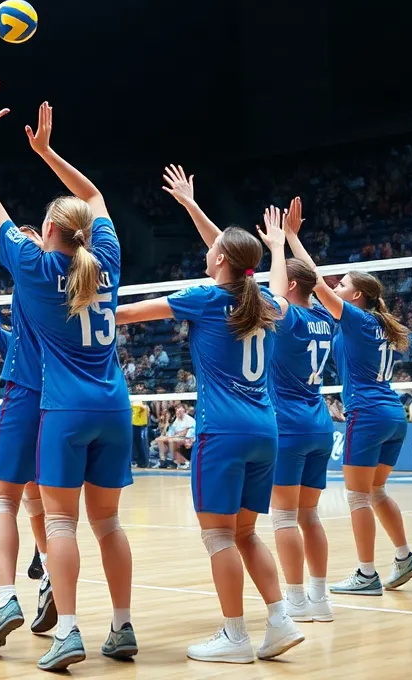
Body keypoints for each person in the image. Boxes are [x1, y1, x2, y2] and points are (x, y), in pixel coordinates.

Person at [0, 85, 134, 670]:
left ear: (46, 231)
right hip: (114, 402)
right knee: (105, 522)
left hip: (54, 401)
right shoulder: (106, 259)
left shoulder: (35, 267)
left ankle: (38, 611)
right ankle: (121, 624)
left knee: (27, 507)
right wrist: (46, 152)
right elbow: (94, 196)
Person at [116, 175, 301, 663]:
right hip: (265, 430)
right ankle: (280, 620)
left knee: (218, 535)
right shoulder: (268, 303)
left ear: (220, 259)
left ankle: (236, 636)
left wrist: (82, 308)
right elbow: (244, 264)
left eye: (213, 248)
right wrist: (272, 246)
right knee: (246, 533)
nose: (208, 249)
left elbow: (128, 315)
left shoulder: (205, 297)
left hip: (223, 432)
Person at [283, 197, 412, 596]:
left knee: (357, 495)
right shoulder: (378, 323)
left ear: (357, 295)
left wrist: (291, 237)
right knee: (375, 491)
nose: (335, 288)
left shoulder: (358, 319)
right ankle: (404, 556)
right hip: (393, 414)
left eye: (342, 285)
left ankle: (366, 574)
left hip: (369, 413)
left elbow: (314, 279)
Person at [260, 213, 336, 625]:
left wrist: (278, 246)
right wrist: (292, 238)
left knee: (285, 517)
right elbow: (315, 280)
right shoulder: (325, 318)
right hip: (320, 424)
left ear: (290, 287)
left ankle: (295, 600)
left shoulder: (289, 318)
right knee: (310, 516)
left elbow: (278, 296)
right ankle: (320, 598)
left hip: (288, 425)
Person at [0, 227, 50, 600]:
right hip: (54, 400)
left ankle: (9, 590)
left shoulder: (41, 285)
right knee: (37, 497)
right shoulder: (13, 335)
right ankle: (47, 567)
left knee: (6, 498)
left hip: (30, 399)